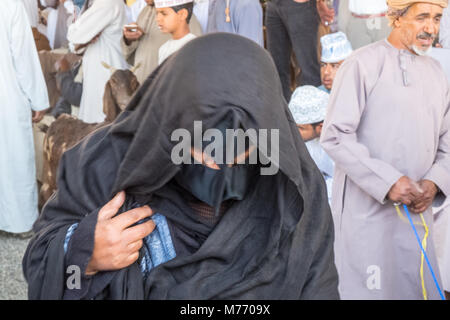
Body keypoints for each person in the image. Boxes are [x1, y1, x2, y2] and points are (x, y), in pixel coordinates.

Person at [22, 33, 339, 300]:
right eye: (201, 152)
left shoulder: (292, 190)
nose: (217, 168)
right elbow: (40, 262)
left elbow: (318, 285)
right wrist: (85, 256)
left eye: (237, 157)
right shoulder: (106, 163)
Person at [320, 0, 450, 300]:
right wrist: (388, 182)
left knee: (415, 288)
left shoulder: (436, 73)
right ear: (396, 18)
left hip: (419, 210)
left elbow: (447, 142)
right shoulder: (362, 64)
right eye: (422, 17)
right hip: (366, 213)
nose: (430, 28)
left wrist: (434, 182)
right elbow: (336, 135)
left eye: (437, 18)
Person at [0, 0, 49, 236]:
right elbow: (23, 56)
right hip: (6, 97)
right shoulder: (9, 4)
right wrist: (37, 99)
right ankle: (18, 223)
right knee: (13, 159)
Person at [67, 0, 129, 123]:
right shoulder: (97, 3)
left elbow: (75, 35)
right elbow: (74, 45)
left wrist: (79, 33)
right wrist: (84, 37)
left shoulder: (107, 2)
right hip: (98, 70)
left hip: (105, 72)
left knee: (101, 121)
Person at [265, 0, 335, 101]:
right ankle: (284, 115)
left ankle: (315, 114)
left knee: (309, 71)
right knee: (276, 70)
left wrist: (319, 2)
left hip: (301, 5)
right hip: (273, 5)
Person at [121, 0, 202, 84]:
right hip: (141, 87)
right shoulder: (145, 11)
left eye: (164, 14)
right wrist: (129, 39)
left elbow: (193, 69)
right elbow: (135, 59)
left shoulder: (185, 18)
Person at [289, 86, 334, 203]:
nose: (294, 132)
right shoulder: (307, 141)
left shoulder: (339, 145)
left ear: (320, 127)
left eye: (301, 128)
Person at [156, 0, 197, 65]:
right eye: (157, 13)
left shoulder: (194, 47)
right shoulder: (163, 48)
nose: (158, 19)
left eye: (164, 14)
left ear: (182, 14)